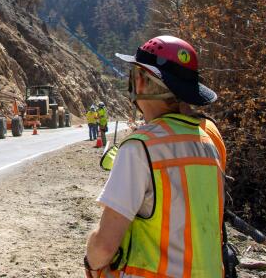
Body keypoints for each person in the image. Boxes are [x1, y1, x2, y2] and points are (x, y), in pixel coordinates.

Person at [84, 35, 226, 278]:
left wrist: (91, 263)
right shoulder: (207, 142)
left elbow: (104, 246)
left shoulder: (139, 148)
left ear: (140, 81)